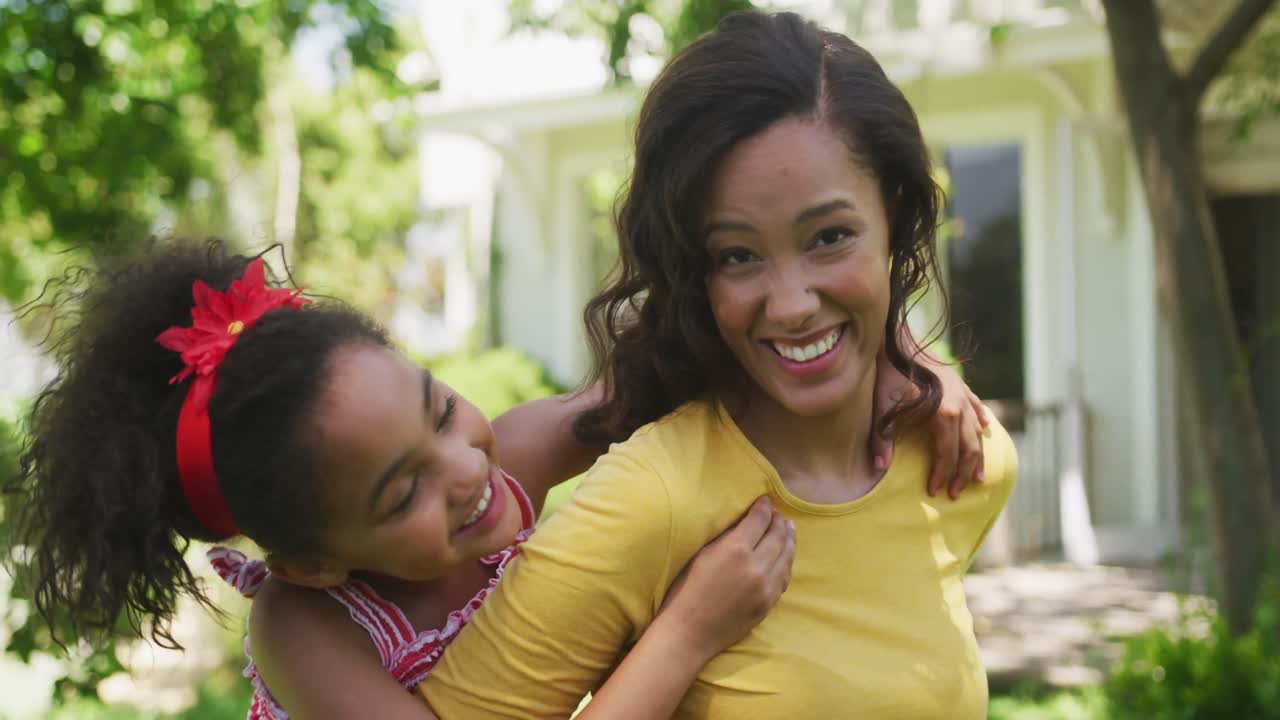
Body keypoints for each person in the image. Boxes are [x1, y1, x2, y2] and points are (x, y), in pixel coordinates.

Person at [6, 237, 982, 718]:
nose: (465, 470)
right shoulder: (302, 628)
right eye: (401, 494)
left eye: (440, 409)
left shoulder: (507, 456)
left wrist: (903, 358)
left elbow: (674, 364)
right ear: (307, 561)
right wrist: (687, 629)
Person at [416, 11, 1017, 719]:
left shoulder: (961, 463)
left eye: (829, 236)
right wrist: (679, 638)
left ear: (893, 215)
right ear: (694, 272)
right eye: (738, 255)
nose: (791, 304)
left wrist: (910, 357)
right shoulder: (656, 496)